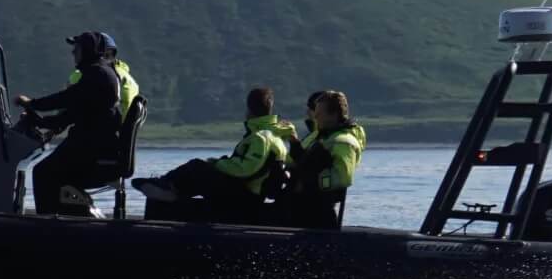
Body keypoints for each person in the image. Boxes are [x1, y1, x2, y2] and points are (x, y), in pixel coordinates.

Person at [133, 86, 294, 214]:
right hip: (250, 194)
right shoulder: (276, 137)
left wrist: (218, 164)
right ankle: (171, 189)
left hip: (245, 197)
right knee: (200, 171)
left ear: (249, 110)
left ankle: (167, 186)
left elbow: (246, 169)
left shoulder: (262, 137)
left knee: (197, 166)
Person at [19, 31, 127, 215]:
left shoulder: (97, 74)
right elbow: (72, 114)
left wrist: (32, 104)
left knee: (42, 173)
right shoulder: (100, 72)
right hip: (93, 145)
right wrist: (40, 121)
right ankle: (65, 217)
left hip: (89, 149)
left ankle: (46, 225)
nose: (73, 53)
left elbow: (66, 99)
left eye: (76, 49)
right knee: (50, 174)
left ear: (88, 50)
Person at [283, 89, 366, 228]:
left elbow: (342, 178)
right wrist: (294, 143)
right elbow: (306, 162)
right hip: (303, 207)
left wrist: (309, 183)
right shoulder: (324, 137)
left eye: (319, 115)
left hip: (319, 212)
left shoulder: (343, 142)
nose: (315, 118)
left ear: (333, 115)